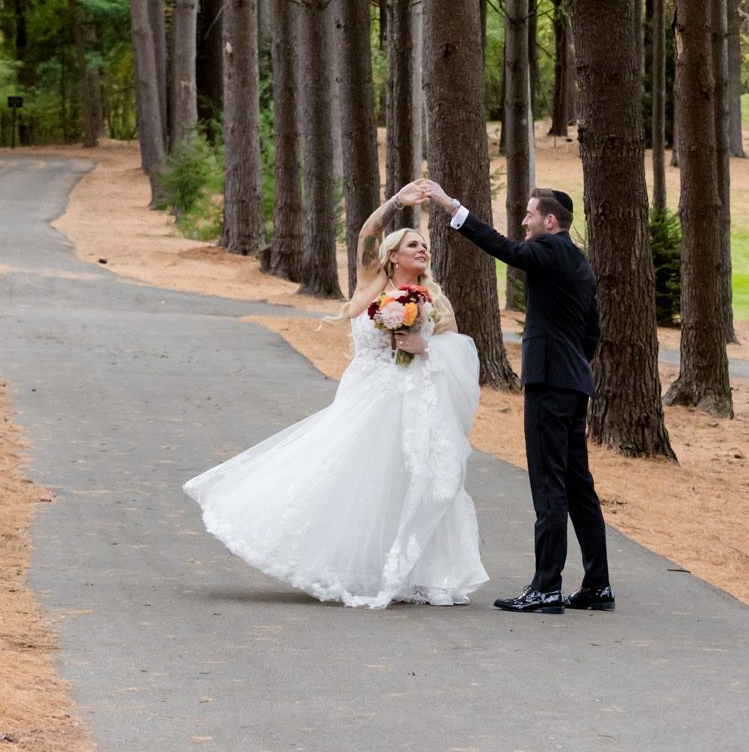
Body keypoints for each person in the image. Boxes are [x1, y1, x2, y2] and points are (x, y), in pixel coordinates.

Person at [182, 186, 487, 609]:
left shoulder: (435, 299)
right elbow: (367, 232)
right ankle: (349, 564)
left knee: (420, 481)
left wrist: (426, 347)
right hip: (367, 396)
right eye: (413, 244)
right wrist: (398, 201)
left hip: (415, 399)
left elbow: (460, 352)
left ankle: (418, 573)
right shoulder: (371, 282)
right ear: (394, 255)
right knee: (355, 478)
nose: (422, 251)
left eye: (425, 247)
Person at [417, 178, 614, 615]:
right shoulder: (579, 263)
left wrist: (452, 207)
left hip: (549, 382)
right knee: (578, 485)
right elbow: (592, 330)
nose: (523, 222)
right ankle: (597, 586)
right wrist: (573, 365)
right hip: (573, 383)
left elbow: (505, 249)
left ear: (549, 220)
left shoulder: (549, 250)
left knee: (549, 485)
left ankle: (546, 588)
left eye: (528, 215)